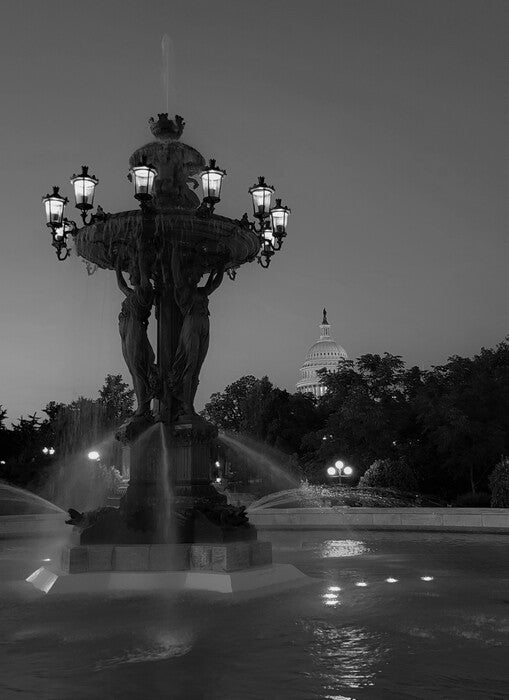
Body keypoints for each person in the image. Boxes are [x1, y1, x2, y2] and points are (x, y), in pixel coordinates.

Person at [170, 243, 224, 416]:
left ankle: (189, 403)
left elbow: (215, 284)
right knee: (190, 365)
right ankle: (185, 405)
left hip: (204, 324)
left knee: (197, 367)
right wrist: (174, 253)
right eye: (194, 273)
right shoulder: (183, 291)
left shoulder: (201, 292)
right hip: (191, 323)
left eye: (199, 273)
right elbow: (176, 275)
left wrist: (221, 266)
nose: (198, 275)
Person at [116, 243, 155, 417]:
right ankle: (142, 404)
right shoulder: (133, 294)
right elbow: (121, 285)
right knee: (134, 370)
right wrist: (117, 267)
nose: (130, 275)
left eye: (133, 272)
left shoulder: (145, 289)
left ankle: (144, 407)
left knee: (138, 370)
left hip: (135, 333)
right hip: (126, 334)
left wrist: (141, 257)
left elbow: (144, 276)